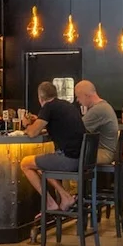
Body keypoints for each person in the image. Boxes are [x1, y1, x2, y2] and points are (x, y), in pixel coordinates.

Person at [20, 80, 87, 212]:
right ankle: (65, 196)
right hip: (81, 159)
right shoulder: (66, 105)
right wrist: (38, 121)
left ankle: (50, 203)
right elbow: (58, 126)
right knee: (41, 166)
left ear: (40, 98)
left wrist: (27, 124)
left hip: (68, 159)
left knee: (25, 163)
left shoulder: (48, 107)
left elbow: (32, 133)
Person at [72, 80, 118, 165]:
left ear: (86, 95)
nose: (77, 100)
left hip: (103, 153)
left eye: (78, 96)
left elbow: (75, 128)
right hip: (109, 152)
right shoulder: (104, 106)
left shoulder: (97, 110)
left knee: (69, 158)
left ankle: (54, 178)